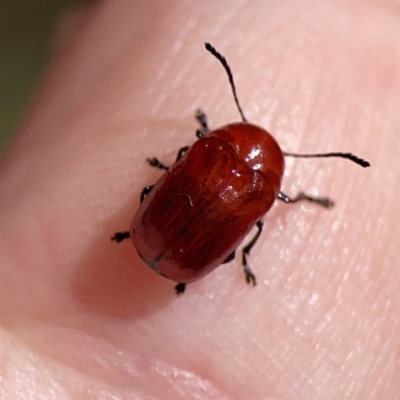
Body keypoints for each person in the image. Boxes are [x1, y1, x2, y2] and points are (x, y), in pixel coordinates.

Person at [0, 1, 396, 398]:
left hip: (151, 234)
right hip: (182, 260)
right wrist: (241, 256)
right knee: (243, 223)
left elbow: (178, 166)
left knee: (165, 187)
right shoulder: (262, 193)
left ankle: (155, 240)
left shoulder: (209, 148)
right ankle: (234, 258)